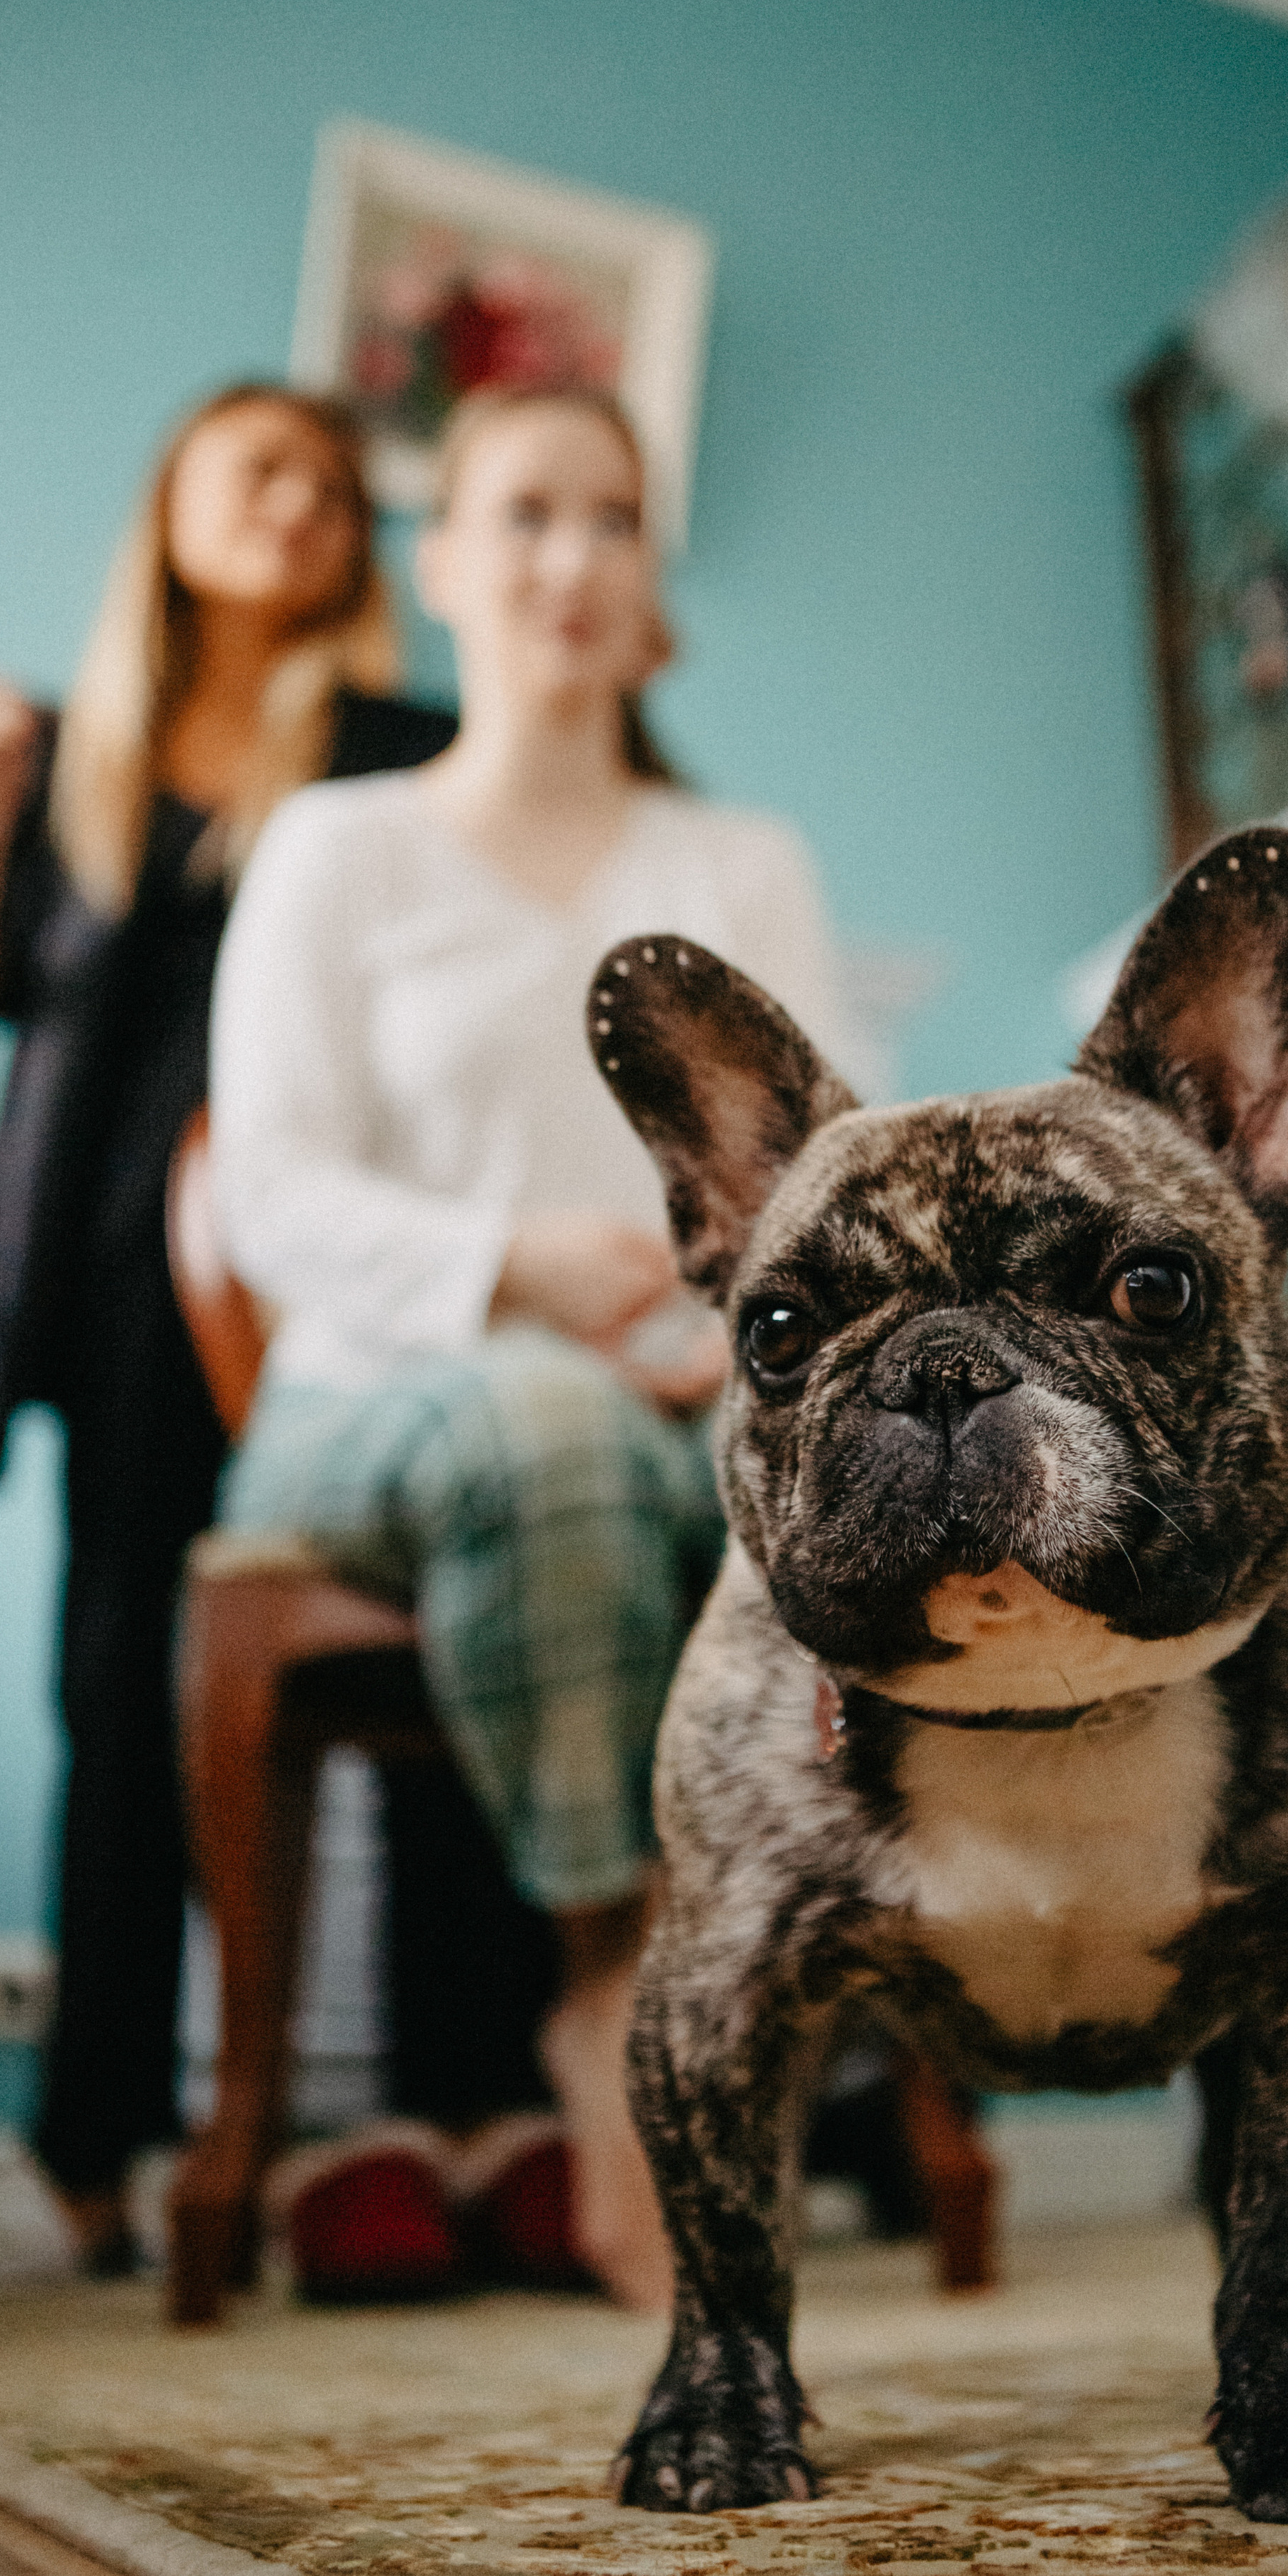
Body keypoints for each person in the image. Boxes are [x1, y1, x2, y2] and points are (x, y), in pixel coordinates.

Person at [209, 384, 854, 2311]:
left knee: (853, 1486)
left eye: (612, 519)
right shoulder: (339, 848)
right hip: (361, 1414)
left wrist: (726, 1333)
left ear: (655, 582)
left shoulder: (744, 862)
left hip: (686, 1395)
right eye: (523, 515)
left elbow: (831, 1186)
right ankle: (616, 2000)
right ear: (442, 566)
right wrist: (526, 1267)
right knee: (549, 1423)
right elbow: (270, 1196)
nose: (570, 558)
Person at [0, 385, 458, 2274]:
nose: (305, 507)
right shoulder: (72, 754)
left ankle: (447, 2117)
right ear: (166, 509)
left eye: (338, 489)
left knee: (399, 1653)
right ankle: (96, 2143)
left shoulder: (406, 749)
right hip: (106, 1290)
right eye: (263, 472)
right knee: (121, 1692)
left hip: (337, 1276)